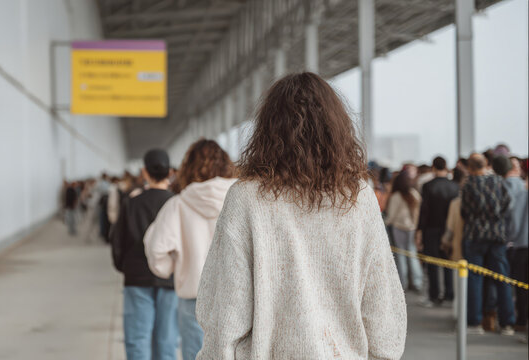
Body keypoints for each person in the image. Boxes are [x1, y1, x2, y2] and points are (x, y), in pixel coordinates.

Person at [195, 73, 406, 359]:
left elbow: (226, 312)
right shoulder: (359, 198)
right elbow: (382, 306)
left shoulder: (246, 199)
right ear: (337, 129)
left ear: (268, 130)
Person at [144, 139, 237, 360]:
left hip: (194, 298)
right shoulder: (242, 199)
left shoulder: (178, 204)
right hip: (237, 297)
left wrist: (172, 268)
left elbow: (157, 249)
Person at [110, 149, 178, 360]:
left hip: (137, 276)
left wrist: (126, 266)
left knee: (138, 339)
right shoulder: (176, 203)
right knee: (166, 341)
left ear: (144, 172)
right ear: (170, 173)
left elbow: (117, 242)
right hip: (170, 278)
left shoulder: (131, 203)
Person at [461, 153, 514, 335]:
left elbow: (464, 211)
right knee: (502, 279)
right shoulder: (499, 182)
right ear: (486, 164)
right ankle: (507, 324)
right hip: (497, 236)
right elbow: (509, 204)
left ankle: (475, 324)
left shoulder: (468, 185)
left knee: (474, 279)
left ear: (470, 167)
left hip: (474, 235)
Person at [417, 156, 458, 306]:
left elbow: (424, 211)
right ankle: (449, 294)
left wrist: (419, 230)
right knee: (448, 263)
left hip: (431, 228)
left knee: (432, 264)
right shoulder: (454, 186)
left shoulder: (427, 186)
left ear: (433, 168)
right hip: (448, 229)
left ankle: (434, 295)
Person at [498, 156, 528, 331]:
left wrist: (511, 238)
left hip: (521, 245)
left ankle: (522, 321)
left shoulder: (522, 195)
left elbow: (515, 222)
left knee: (521, 286)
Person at [386, 171, 423, 292]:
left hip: (399, 227)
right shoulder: (415, 194)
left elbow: (391, 216)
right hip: (412, 228)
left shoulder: (396, 196)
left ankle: (403, 283)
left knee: (401, 255)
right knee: (412, 254)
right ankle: (417, 282)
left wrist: (385, 223)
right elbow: (418, 213)